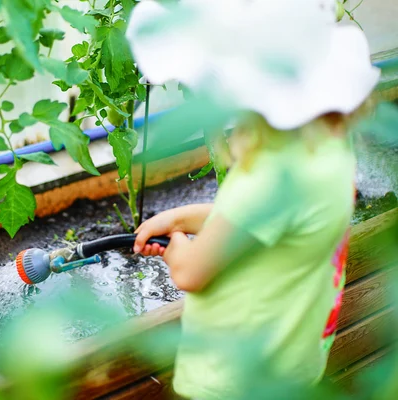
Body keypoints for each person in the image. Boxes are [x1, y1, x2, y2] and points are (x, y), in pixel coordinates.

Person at [126, 1, 380, 398]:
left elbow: (191, 272)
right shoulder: (327, 152)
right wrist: (179, 217)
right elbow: (253, 225)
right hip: (293, 362)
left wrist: (176, 246)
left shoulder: (269, 176)